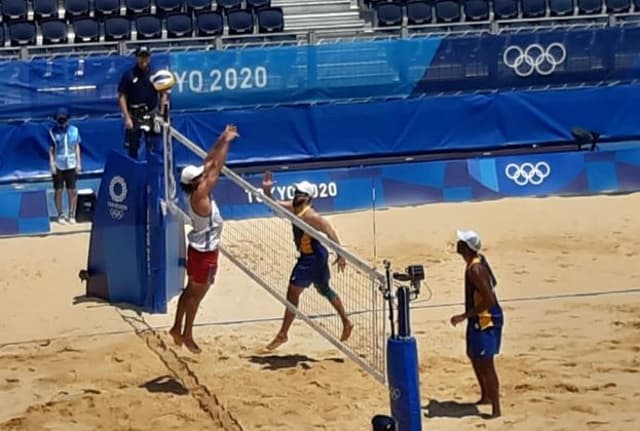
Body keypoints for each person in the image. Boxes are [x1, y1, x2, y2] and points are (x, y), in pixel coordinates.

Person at [261, 171, 354, 351]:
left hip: (311, 257)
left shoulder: (311, 216)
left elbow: (329, 231)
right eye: (296, 192)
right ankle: (346, 321)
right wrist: (267, 191)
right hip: (314, 255)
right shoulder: (294, 208)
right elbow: (274, 203)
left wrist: (341, 253)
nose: (296, 195)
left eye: (300, 194)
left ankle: (283, 334)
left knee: (292, 293)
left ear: (308, 197)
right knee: (324, 289)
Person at [168, 124, 239, 354]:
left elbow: (208, 161)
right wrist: (227, 143)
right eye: (201, 177)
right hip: (205, 254)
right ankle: (187, 333)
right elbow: (216, 167)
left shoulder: (193, 191)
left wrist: (221, 137)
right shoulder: (200, 195)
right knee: (196, 296)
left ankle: (177, 328)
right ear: (196, 182)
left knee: (189, 291)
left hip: (197, 249)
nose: (204, 175)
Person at [450, 229, 504, 419]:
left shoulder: (475, 269)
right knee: (473, 354)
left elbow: (489, 299)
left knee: (486, 363)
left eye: (460, 241)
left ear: (466, 247)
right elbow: (493, 283)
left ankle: (496, 409)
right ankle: (486, 396)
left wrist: (465, 315)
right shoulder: (478, 261)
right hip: (479, 317)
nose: (457, 243)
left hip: (485, 318)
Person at [117, 46, 168, 160]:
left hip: (152, 115)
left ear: (149, 58)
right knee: (133, 148)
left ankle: (153, 173)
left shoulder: (155, 74)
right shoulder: (129, 75)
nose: (143, 60)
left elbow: (164, 94)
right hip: (134, 116)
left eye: (146, 57)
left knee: (154, 148)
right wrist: (127, 118)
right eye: (141, 57)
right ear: (137, 57)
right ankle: (134, 175)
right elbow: (122, 97)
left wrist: (161, 113)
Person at [48, 108, 82, 225]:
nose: (61, 122)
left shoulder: (75, 130)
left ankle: (72, 214)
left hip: (71, 163)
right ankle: (60, 214)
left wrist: (78, 163)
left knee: (72, 190)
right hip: (58, 163)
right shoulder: (52, 132)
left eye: (63, 119)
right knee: (59, 190)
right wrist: (52, 164)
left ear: (68, 119)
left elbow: (77, 147)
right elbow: (51, 149)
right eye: (59, 120)